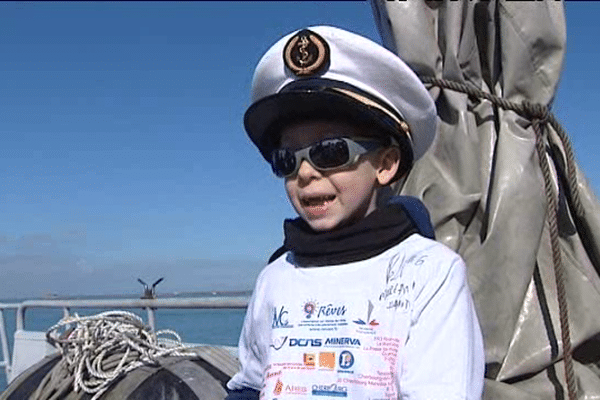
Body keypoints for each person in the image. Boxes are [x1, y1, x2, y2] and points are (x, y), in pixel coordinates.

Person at [226, 26, 484, 400]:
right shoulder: (276, 277)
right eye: (287, 159)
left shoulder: (430, 274)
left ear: (385, 164)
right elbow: (250, 383)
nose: (306, 173)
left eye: (330, 151)